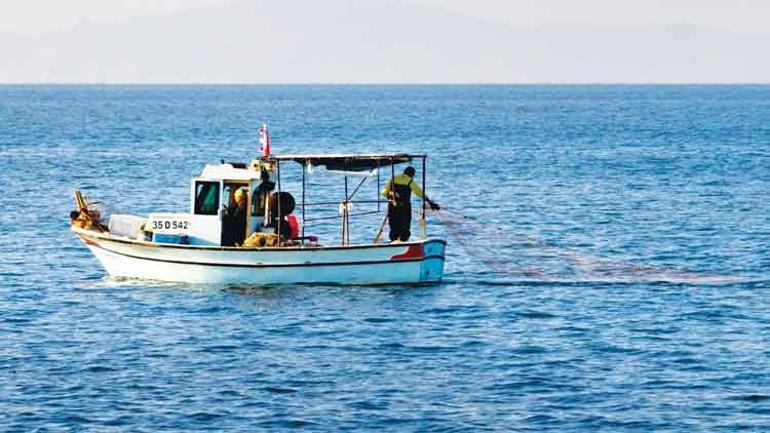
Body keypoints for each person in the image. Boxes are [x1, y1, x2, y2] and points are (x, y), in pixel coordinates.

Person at [381, 166, 439, 242]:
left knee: (393, 226)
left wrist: (389, 197)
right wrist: (429, 202)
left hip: (392, 207)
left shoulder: (393, 178)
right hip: (404, 208)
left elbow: (384, 192)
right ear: (411, 174)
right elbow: (419, 192)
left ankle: (393, 241)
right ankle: (403, 242)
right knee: (405, 227)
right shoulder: (409, 181)